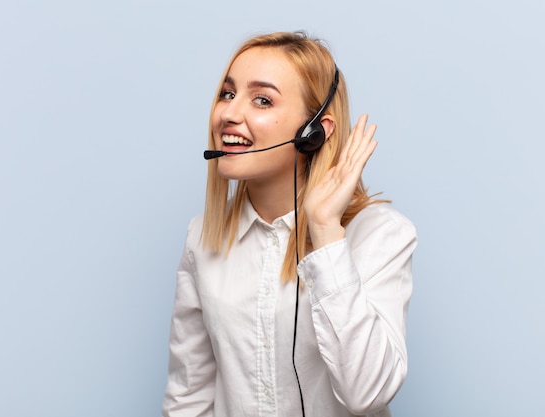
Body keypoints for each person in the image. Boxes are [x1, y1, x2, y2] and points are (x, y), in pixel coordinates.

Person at [162, 31, 417, 417]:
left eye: (262, 99)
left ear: (314, 131)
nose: (229, 114)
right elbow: (188, 398)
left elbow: (368, 393)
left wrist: (326, 231)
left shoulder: (380, 235)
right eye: (228, 94)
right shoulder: (202, 237)